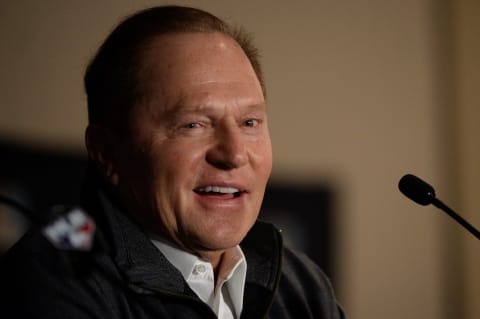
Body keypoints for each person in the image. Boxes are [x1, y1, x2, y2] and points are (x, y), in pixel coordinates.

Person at [0, 5, 345, 319]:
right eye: (193, 125)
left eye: (249, 123)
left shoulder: (302, 287)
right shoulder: (55, 273)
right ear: (106, 152)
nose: (235, 154)